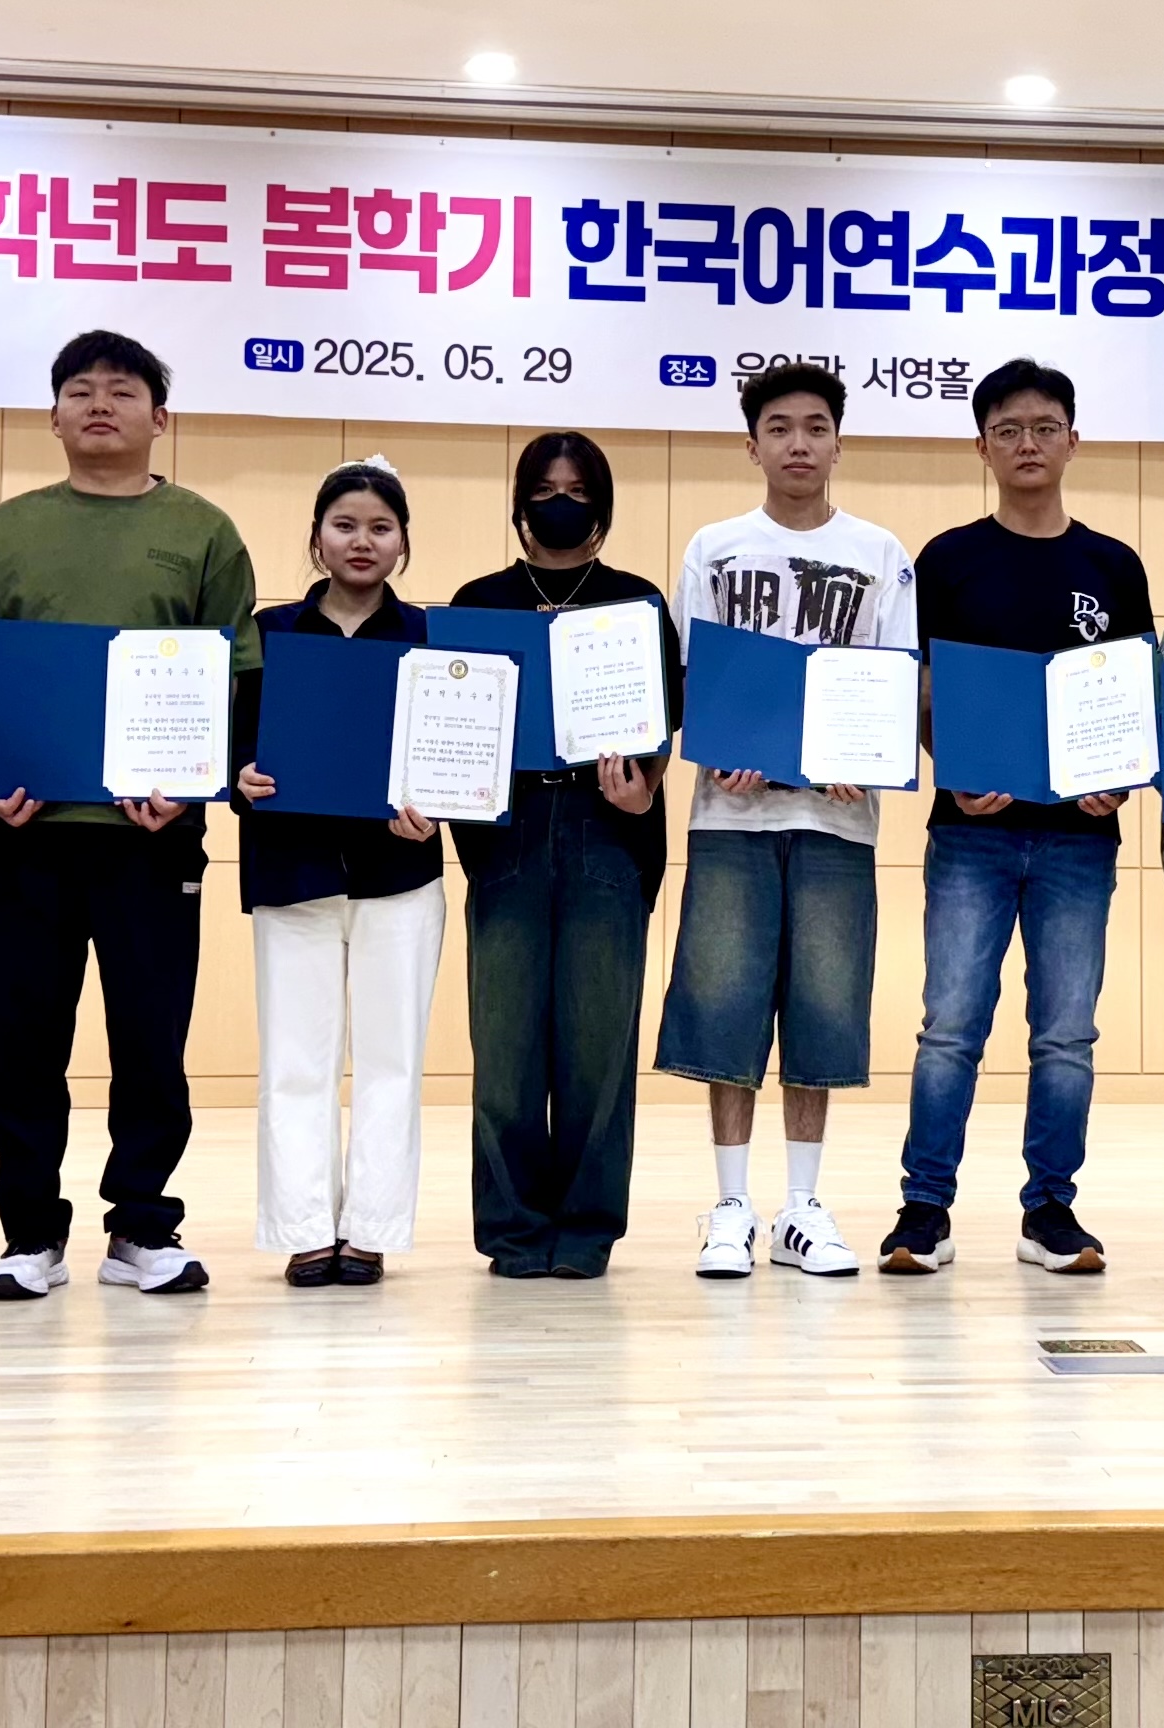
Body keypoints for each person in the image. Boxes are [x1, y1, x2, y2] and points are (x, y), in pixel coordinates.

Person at [0, 330, 261, 1300]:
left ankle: (141, 1226)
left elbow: (231, 676)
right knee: (22, 1044)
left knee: (150, 1043)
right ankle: (28, 1235)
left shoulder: (204, 531)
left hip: (153, 839)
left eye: (123, 391)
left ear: (159, 418)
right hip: (24, 837)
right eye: (80, 390)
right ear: (51, 416)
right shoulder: (1, 533)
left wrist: (191, 781)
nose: (99, 404)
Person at [882, 359, 1152, 1276]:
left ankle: (1051, 1212)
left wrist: (1118, 780)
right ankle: (924, 1210)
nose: (1027, 444)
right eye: (1008, 430)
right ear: (982, 447)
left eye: (1043, 428)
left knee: (1066, 1034)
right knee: (950, 1026)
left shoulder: (1112, 565)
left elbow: (1132, 697)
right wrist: (950, 771)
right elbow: (920, 692)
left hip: (1081, 839)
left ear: (1073, 440)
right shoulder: (948, 559)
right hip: (971, 834)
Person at [659, 362, 918, 1280]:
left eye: (815, 427)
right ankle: (731, 1204)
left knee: (823, 1008)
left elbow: (896, 675)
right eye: (780, 428)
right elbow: (692, 676)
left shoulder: (880, 552)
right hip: (729, 815)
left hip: (838, 820)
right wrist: (718, 740)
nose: (798, 443)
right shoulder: (715, 546)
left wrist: (865, 754)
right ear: (753, 445)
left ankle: (803, 1205)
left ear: (839, 442)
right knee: (725, 1005)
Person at [453, 432, 679, 1280]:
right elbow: (455, 722)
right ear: (520, 503)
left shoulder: (636, 602)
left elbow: (661, 724)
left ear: (603, 504)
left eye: (578, 490)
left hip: (604, 832)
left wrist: (642, 791)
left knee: (597, 1050)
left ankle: (587, 1229)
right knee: (504, 1050)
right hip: (508, 832)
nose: (561, 503)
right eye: (545, 489)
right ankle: (512, 1229)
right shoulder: (479, 603)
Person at [228, 460, 446, 1288]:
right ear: (316, 537)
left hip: (401, 870)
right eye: (345, 525)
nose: (362, 541)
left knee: (393, 1057)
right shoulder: (269, 632)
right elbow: (232, 742)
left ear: (403, 543)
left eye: (380, 527)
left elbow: (457, 751)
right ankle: (304, 1229)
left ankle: (372, 1230)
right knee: (295, 1058)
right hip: (293, 868)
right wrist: (240, 778)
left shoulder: (429, 637)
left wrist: (440, 803)